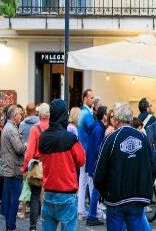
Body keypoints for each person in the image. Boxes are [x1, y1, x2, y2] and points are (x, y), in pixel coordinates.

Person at [94, 102, 155, 231]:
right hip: (137, 198)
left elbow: (99, 173)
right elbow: (153, 169)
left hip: (116, 199)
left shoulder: (111, 139)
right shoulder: (142, 138)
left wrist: (105, 193)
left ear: (116, 120)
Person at [38, 99, 86, 231]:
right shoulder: (70, 138)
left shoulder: (43, 137)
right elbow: (82, 160)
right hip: (67, 193)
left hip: (48, 193)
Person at [21, 103, 50, 231]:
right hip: (50, 166)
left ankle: (33, 227)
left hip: (37, 167)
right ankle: (48, 226)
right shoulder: (53, 129)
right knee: (48, 198)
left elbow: (29, 152)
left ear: (39, 114)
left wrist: (25, 168)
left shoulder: (35, 129)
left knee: (34, 197)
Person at [0, 105, 26, 231]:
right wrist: (26, 144)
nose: (21, 116)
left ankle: (9, 226)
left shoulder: (8, 127)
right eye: (19, 114)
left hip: (9, 168)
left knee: (9, 199)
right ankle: (11, 226)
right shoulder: (11, 129)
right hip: (13, 169)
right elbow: (19, 148)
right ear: (14, 116)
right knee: (13, 200)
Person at [85, 106, 108, 226]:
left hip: (93, 162)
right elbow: (98, 147)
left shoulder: (96, 126)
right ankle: (92, 216)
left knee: (96, 190)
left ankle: (92, 215)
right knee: (96, 190)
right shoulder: (98, 128)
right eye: (107, 113)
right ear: (103, 115)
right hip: (95, 163)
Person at [77, 89, 96, 219]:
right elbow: (94, 129)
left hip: (83, 150)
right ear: (84, 99)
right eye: (90, 98)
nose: (92, 100)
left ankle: (81, 209)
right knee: (88, 180)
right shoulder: (86, 114)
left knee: (84, 180)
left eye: (93, 98)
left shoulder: (84, 112)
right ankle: (87, 210)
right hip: (87, 151)